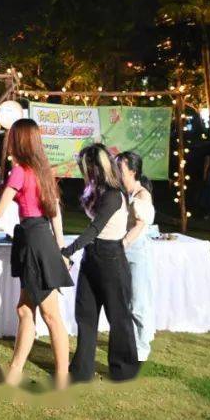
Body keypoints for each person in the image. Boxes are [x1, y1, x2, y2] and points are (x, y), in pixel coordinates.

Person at [0, 118, 72, 389]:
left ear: (19, 141)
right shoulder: (43, 171)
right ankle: (15, 373)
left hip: (33, 241)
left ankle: (61, 378)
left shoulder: (19, 172)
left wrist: (3, 187)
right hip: (41, 238)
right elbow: (55, 212)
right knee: (25, 309)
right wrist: (61, 248)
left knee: (50, 315)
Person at [62, 144, 140, 383]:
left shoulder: (114, 195)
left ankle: (124, 369)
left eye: (86, 167)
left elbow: (94, 229)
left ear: (96, 167)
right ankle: (82, 370)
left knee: (118, 317)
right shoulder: (97, 190)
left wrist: (68, 251)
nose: (84, 172)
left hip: (111, 258)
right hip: (93, 257)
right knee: (85, 314)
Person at [117, 150, 156, 362]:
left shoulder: (142, 195)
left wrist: (122, 244)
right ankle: (128, 342)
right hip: (122, 250)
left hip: (135, 252)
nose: (116, 170)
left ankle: (141, 349)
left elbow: (139, 226)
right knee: (124, 301)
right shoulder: (122, 192)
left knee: (137, 302)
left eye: (120, 167)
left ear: (132, 171)